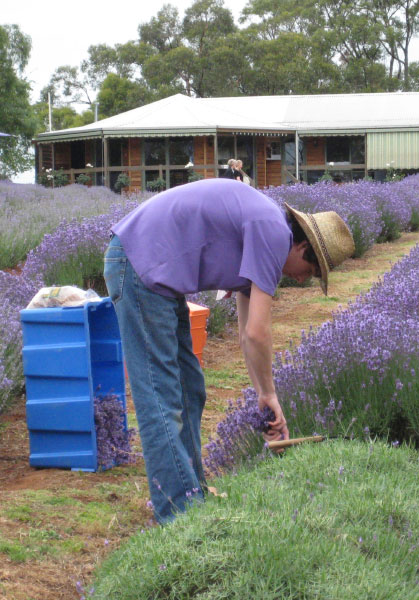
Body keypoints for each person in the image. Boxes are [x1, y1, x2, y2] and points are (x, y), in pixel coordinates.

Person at [104, 178, 354, 523]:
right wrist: (269, 393)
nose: (303, 280)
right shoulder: (273, 233)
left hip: (154, 275)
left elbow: (244, 334)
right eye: (310, 271)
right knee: (160, 398)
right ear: (301, 248)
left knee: (190, 389)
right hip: (139, 267)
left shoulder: (265, 229)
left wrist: (263, 397)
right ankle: (178, 517)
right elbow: (257, 333)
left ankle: (194, 495)